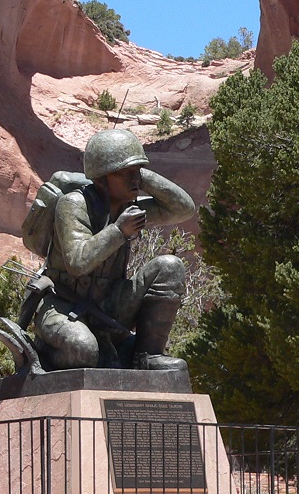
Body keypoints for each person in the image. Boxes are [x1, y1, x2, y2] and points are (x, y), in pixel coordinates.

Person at [33, 129, 196, 371]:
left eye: (137, 173)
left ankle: (147, 356)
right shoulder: (74, 204)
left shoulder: (127, 207)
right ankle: (46, 357)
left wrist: (139, 172)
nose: (134, 181)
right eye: (125, 174)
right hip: (63, 306)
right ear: (102, 177)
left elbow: (183, 208)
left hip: (109, 304)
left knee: (169, 266)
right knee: (84, 351)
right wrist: (118, 231)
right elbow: (77, 263)